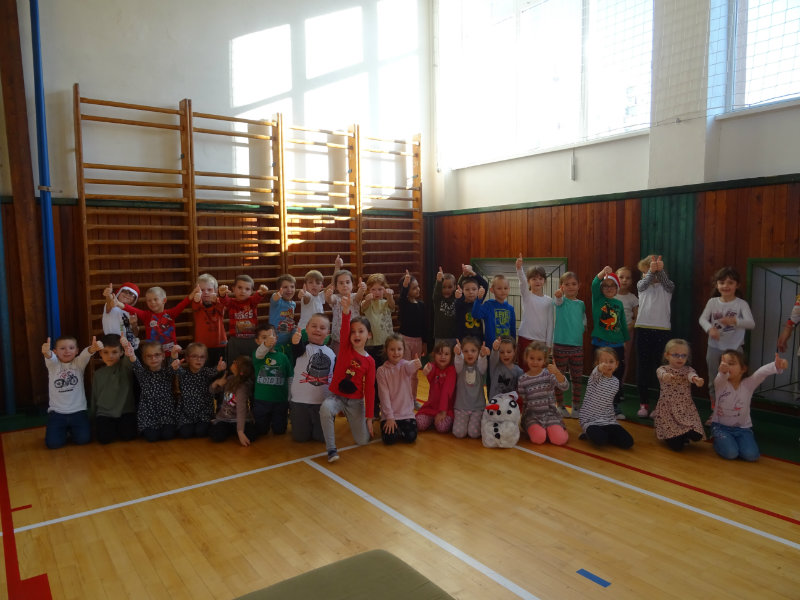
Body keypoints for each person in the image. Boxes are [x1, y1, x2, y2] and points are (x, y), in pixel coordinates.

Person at [319, 294, 376, 462]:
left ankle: (355, 421)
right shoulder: (345, 348)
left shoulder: (370, 361)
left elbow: (370, 389)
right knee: (325, 408)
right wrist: (345, 310)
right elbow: (344, 328)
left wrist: (369, 418)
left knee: (363, 441)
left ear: (369, 335)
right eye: (353, 332)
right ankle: (331, 449)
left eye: (361, 331)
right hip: (337, 396)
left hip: (355, 402)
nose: (356, 334)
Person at [710, 351, 787, 461]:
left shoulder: (748, 384)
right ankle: (718, 441)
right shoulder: (720, 383)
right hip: (720, 427)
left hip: (743, 429)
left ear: (743, 369)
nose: (726, 366)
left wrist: (775, 365)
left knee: (751, 455)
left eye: (731, 363)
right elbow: (720, 378)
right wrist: (722, 372)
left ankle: (730, 442)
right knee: (731, 453)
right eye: (723, 363)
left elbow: (760, 373)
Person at [698, 267, 755, 406]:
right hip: (714, 347)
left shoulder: (741, 304)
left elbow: (751, 324)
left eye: (730, 282)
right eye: (722, 282)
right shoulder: (712, 302)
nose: (725, 286)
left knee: (734, 380)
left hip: (735, 349)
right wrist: (710, 329)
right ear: (717, 285)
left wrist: (735, 321)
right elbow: (702, 319)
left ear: (737, 285)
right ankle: (716, 410)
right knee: (714, 380)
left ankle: (733, 410)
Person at [42, 335, 102, 449]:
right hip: (57, 413)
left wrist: (92, 349)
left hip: (78, 412)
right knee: (53, 444)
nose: (67, 351)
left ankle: (71, 430)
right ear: (55, 351)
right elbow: (50, 357)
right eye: (62, 348)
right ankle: (64, 430)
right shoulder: (53, 365)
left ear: (76, 350)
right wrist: (47, 353)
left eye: (71, 348)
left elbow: (85, 354)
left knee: (83, 439)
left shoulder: (78, 363)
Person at [635, 255, 674, 418]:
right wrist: (652, 271)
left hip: (662, 331)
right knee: (643, 368)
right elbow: (644, 282)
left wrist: (660, 271)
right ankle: (643, 403)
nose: (650, 275)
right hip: (643, 329)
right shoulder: (642, 286)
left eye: (654, 272)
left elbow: (667, 283)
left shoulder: (667, 287)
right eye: (646, 272)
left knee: (662, 369)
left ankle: (660, 405)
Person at [289, 313, 336, 443]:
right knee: (300, 438)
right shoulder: (303, 348)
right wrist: (295, 341)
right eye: (314, 326)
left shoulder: (331, 353)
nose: (317, 330)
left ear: (328, 333)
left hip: (323, 404)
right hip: (300, 402)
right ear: (307, 329)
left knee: (321, 438)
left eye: (322, 328)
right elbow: (296, 348)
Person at [651, 339, 705, 451]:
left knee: (697, 435)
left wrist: (696, 379)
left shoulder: (688, 370)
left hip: (685, 408)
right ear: (667, 355)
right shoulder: (662, 369)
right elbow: (661, 374)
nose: (680, 358)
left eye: (683, 355)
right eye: (676, 355)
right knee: (677, 447)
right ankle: (673, 436)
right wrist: (665, 376)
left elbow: (691, 375)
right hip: (668, 410)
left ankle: (683, 434)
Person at [590, 267, 629, 418]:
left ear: (617, 288)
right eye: (605, 285)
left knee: (616, 376)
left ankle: (614, 405)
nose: (609, 288)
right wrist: (602, 273)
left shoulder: (619, 304)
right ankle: (597, 405)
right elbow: (594, 283)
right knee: (599, 375)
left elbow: (623, 323)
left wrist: (625, 340)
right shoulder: (598, 300)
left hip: (617, 345)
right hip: (600, 344)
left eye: (612, 285)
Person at [579, 347, 634, 449]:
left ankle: (604, 435)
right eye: (603, 362)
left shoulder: (616, 382)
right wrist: (600, 368)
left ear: (616, 364)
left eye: (611, 361)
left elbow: (609, 402)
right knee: (600, 440)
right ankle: (589, 433)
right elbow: (597, 371)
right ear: (597, 364)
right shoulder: (595, 377)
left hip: (608, 420)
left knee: (628, 442)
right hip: (590, 420)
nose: (607, 364)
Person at [171, 342, 226, 438]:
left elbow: (215, 370)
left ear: (205, 359)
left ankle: (209, 424)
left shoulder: (206, 372)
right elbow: (175, 367)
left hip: (204, 413)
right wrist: (174, 356)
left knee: (200, 432)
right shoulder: (184, 373)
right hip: (187, 414)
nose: (198, 359)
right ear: (187, 358)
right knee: (185, 433)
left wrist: (219, 367)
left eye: (202, 357)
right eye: (194, 356)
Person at [127, 340, 178, 442]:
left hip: (166, 414)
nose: (153, 358)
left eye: (157, 355)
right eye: (149, 356)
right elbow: (135, 363)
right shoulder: (142, 374)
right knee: (152, 437)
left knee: (167, 435)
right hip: (148, 415)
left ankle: (165, 427)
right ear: (144, 359)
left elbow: (173, 363)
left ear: (163, 356)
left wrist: (174, 352)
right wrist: (131, 354)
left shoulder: (167, 372)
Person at [90, 334, 137, 444]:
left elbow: (130, 359)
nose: (110, 356)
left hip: (125, 411)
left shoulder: (125, 368)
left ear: (121, 352)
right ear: (100, 353)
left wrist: (126, 347)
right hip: (105, 413)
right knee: (104, 439)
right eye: (105, 352)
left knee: (128, 436)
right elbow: (94, 397)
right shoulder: (98, 374)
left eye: (114, 352)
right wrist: (92, 419)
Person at [376, 334, 422, 445]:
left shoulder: (405, 365)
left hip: (406, 414)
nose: (396, 353)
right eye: (392, 349)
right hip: (390, 415)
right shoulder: (381, 371)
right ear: (386, 350)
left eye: (399, 349)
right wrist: (389, 418)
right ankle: (398, 430)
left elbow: (410, 366)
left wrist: (416, 363)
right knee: (389, 440)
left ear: (403, 350)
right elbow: (384, 396)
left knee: (411, 437)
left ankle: (400, 430)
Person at [122, 285, 195, 353]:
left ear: (164, 300)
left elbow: (183, 304)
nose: (152, 302)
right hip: (153, 354)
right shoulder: (146, 315)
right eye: (149, 300)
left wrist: (193, 293)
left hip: (170, 353)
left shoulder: (170, 314)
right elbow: (131, 309)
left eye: (155, 299)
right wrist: (118, 303)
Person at [362, 272, 396, 416]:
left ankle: (388, 406)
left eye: (380, 289)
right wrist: (367, 298)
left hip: (386, 346)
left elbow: (393, 306)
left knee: (387, 377)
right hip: (371, 346)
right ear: (368, 291)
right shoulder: (368, 304)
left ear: (385, 289)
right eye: (373, 289)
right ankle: (374, 408)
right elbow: (363, 307)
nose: (376, 292)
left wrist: (390, 296)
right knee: (373, 379)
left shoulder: (386, 302)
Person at [552, 271, 586, 418]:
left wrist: (582, 328)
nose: (571, 287)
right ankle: (560, 405)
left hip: (577, 346)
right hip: (560, 346)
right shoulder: (560, 301)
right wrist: (558, 295)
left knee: (577, 378)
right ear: (562, 286)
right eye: (567, 284)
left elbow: (583, 319)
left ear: (579, 286)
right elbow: (558, 300)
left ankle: (576, 406)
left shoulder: (581, 304)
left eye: (574, 284)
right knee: (559, 377)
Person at [252, 325, 294, 437]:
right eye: (264, 337)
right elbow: (260, 352)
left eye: (272, 336)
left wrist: (290, 397)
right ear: (257, 341)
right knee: (261, 430)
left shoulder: (283, 357)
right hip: (261, 401)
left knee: (280, 431)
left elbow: (290, 377)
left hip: (280, 401)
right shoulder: (257, 355)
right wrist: (266, 344)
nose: (269, 339)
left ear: (277, 338)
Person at [515, 254, 555, 368]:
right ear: (529, 281)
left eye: (540, 278)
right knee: (524, 368)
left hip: (541, 341)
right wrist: (519, 269)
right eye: (534, 279)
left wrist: (548, 344)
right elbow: (522, 282)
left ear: (544, 280)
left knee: (539, 371)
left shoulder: (549, 301)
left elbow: (550, 324)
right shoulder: (527, 296)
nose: (538, 281)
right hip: (525, 338)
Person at [218, 274, 270, 362]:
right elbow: (224, 300)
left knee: (253, 362)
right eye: (239, 287)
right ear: (233, 289)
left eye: (247, 289)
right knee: (234, 363)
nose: (243, 291)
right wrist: (222, 294)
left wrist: (261, 292)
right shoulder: (231, 303)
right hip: (236, 340)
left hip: (251, 339)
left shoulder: (252, 302)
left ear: (251, 291)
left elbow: (257, 297)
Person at [209, 355, 257, 446]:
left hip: (240, 419)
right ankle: (232, 430)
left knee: (251, 435)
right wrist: (216, 383)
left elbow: (241, 410)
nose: (233, 362)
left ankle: (237, 430)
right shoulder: (229, 379)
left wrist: (240, 431)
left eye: (236, 363)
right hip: (225, 419)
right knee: (215, 435)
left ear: (241, 372)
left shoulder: (242, 387)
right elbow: (212, 391)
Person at [325, 255, 368, 354]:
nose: (344, 285)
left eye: (347, 282)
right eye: (341, 283)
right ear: (336, 286)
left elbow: (359, 296)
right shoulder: (336, 298)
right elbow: (330, 300)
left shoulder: (354, 297)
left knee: (354, 360)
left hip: (355, 338)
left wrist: (362, 289)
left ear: (352, 285)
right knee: (339, 359)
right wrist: (328, 295)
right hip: (338, 339)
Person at [398, 269, 427, 401]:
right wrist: (405, 285)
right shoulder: (404, 304)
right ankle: (404, 399)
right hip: (405, 341)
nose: (418, 289)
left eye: (418, 287)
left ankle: (413, 399)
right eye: (414, 288)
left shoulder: (421, 305)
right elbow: (402, 297)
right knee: (405, 371)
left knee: (415, 372)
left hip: (418, 341)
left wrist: (425, 343)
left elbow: (424, 325)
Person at [452, 336, 489, 439]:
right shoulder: (460, 367)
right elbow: (458, 361)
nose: (469, 354)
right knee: (459, 433)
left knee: (474, 433)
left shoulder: (480, 367)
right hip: (461, 408)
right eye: (466, 351)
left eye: (473, 351)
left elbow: (482, 363)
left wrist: (482, 355)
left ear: (478, 352)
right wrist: (458, 354)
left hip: (477, 408)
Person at [416, 342, 456, 433]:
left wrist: (443, 411)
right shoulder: (433, 367)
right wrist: (427, 370)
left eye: (446, 354)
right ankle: (432, 420)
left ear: (451, 356)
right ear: (434, 355)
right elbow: (430, 370)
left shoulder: (451, 370)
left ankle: (436, 421)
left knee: (442, 427)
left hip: (446, 409)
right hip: (431, 407)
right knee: (419, 423)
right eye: (439, 353)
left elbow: (446, 391)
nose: (443, 357)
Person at [471, 274, 516, 349]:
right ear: (492, 290)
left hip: (506, 347)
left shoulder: (510, 308)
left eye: (505, 288)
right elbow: (475, 314)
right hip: (490, 347)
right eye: (499, 288)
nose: (503, 291)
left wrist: (514, 345)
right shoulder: (488, 305)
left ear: (509, 289)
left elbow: (512, 328)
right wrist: (479, 299)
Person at [191, 274, 227, 367]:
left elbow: (222, 306)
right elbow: (196, 303)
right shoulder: (197, 304)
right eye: (202, 290)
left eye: (209, 290)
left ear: (215, 291)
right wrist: (197, 297)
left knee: (220, 369)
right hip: (202, 347)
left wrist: (217, 300)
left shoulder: (219, 303)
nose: (206, 292)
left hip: (220, 345)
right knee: (203, 370)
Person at [614, 266, 638, 389]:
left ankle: (620, 388)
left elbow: (637, 318)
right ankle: (608, 387)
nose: (624, 280)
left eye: (628, 278)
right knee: (610, 357)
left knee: (623, 359)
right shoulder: (611, 296)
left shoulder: (633, 298)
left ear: (631, 281)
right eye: (621, 277)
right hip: (611, 333)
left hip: (627, 333)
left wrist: (626, 328)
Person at [454, 264, 488, 343]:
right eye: (467, 289)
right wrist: (464, 275)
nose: (471, 292)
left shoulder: (479, 300)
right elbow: (459, 287)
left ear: (478, 290)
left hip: (478, 340)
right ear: (463, 291)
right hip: (463, 341)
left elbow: (485, 285)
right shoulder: (460, 302)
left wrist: (473, 273)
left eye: (474, 289)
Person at [101, 282, 140, 351]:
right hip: (113, 345)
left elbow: (135, 334)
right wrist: (108, 295)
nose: (127, 295)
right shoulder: (112, 306)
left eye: (131, 294)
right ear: (119, 292)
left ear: (134, 300)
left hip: (130, 347)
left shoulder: (131, 312)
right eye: (125, 291)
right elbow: (110, 302)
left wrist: (134, 325)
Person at [270, 273, 298, 354]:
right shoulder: (277, 301)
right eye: (285, 287)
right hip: (276, 341)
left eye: (292, 287)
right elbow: (274, 298)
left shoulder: (293, 304)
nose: (289, 289)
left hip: (288, 340)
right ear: (279, 289)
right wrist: (279, 294)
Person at [432, 266, 458, 347]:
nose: (447, 290)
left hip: (454, 337)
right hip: (440, 337)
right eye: (444, 287)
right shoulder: (438, 300)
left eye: (450, 287)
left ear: (455, 287)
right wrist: (439, 281)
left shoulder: (456, 299)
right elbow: (436, 293)